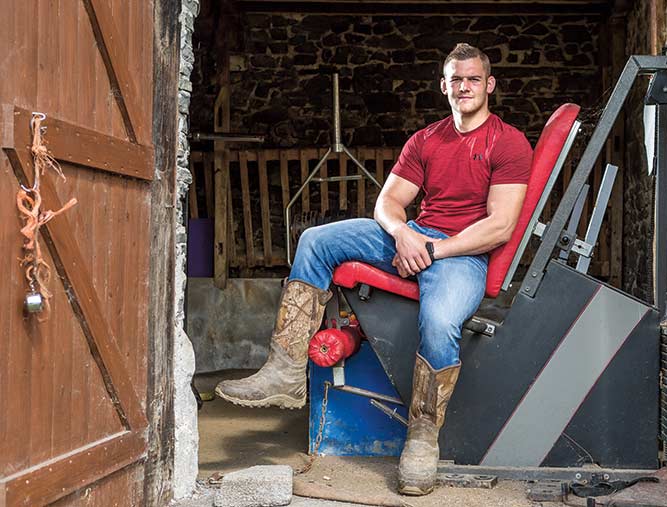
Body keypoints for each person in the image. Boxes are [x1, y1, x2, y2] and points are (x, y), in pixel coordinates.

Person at [215, 43, 534, 496]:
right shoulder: (427, 139)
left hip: (462, 255)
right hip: (417, 236)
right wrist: (405, 235)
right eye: (456, 80)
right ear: (444, 86)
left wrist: (432, 251)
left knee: (440, 319)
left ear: (490, 85)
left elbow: (499, 226)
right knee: (317, 240)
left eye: (474, 79)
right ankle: (285, 373)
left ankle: (423, 434)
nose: (465, 87)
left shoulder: (508, 142)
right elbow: (388, 202)